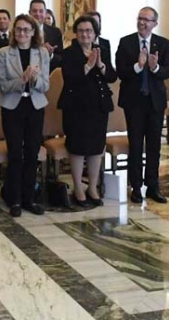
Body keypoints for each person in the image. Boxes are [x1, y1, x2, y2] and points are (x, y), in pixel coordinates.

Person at [58, 16, 117, 206]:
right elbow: (70, 78)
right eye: (81, 30)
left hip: (98, 107)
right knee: (77, 148)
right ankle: (78, 187)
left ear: (95, 33)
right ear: (76, 33)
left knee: (96, 148)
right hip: (76, 107)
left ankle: (92, 186)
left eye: (89, 31)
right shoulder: (69, 53)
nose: (85, 34)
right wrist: (88, 66)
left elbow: (112, 77)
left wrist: (100, 65)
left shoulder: (102, 51)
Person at [115, 7, 169, 204]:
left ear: (155, 23)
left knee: (154, 146)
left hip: (155, 102)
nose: (142, 22)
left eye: (147, 20)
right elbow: (121, 72)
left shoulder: (163, 44)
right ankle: (136, 187)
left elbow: (166, 72)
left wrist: (154, 67)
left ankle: (153, 186)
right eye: (140, 18)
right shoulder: (126, 42)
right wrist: (139, 66)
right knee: (136, 145)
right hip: (134, 102)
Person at [0, 14, 50, 217]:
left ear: (33, 32)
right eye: (18, 29)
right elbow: (2, 85)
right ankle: (15, 199)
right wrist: (22, 79)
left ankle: (29, 199)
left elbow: (46, 85)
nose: (22, 33)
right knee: (15, 154)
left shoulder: (42, 53)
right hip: (12, 108)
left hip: (35, 107)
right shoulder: (4, 53)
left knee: (32, 153)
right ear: (13, 31)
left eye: (26, 30)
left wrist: (34, 80)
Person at [29, 0, 63, 72]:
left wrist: (50, 55)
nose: (38, 14)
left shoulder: (55, 32)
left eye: (41, 11)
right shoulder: (23, 32)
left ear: (45, 13)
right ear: (29, 13)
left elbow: (61, 59)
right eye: (34, 11)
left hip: (49, 74)